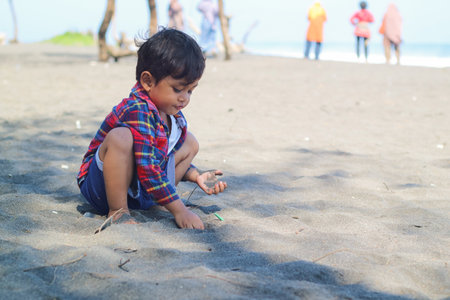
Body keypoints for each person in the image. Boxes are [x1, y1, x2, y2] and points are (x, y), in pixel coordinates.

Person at [77, 28, 227, 230]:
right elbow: (148, 168)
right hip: (102, 189)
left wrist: (195, 175)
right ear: (148, 81)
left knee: (190, 143)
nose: (185, 98)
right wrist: (180, 210)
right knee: (121, 138)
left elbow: (161, 158)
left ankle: (159, 200)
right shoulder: (138, 109)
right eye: (178, 89)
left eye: (190, 90)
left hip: (141, 191)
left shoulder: (171, 115)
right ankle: (118, 210)